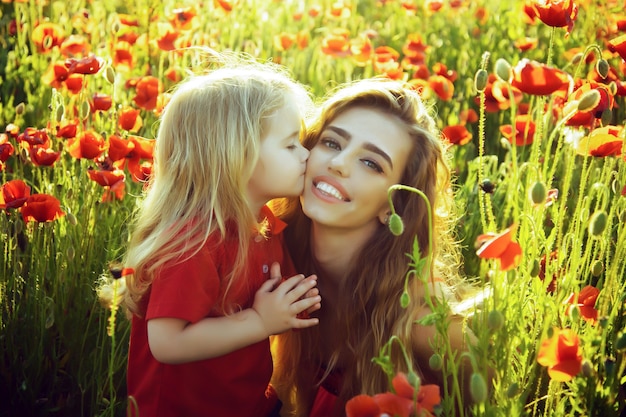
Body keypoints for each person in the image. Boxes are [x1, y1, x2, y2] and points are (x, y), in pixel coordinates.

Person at [122, 56, 322, 417]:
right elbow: (167, 342)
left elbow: (292, 299)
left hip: (248, 402)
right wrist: (260, 322)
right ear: (237, 155)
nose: (306, 154)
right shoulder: (191, 243)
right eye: (291, 145)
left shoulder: (264, 225)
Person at [271, 77, 482, 417]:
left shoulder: (426, 322)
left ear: (393, 206)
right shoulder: (274, 258)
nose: (338, 163)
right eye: (332, 143)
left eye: (371, 163)